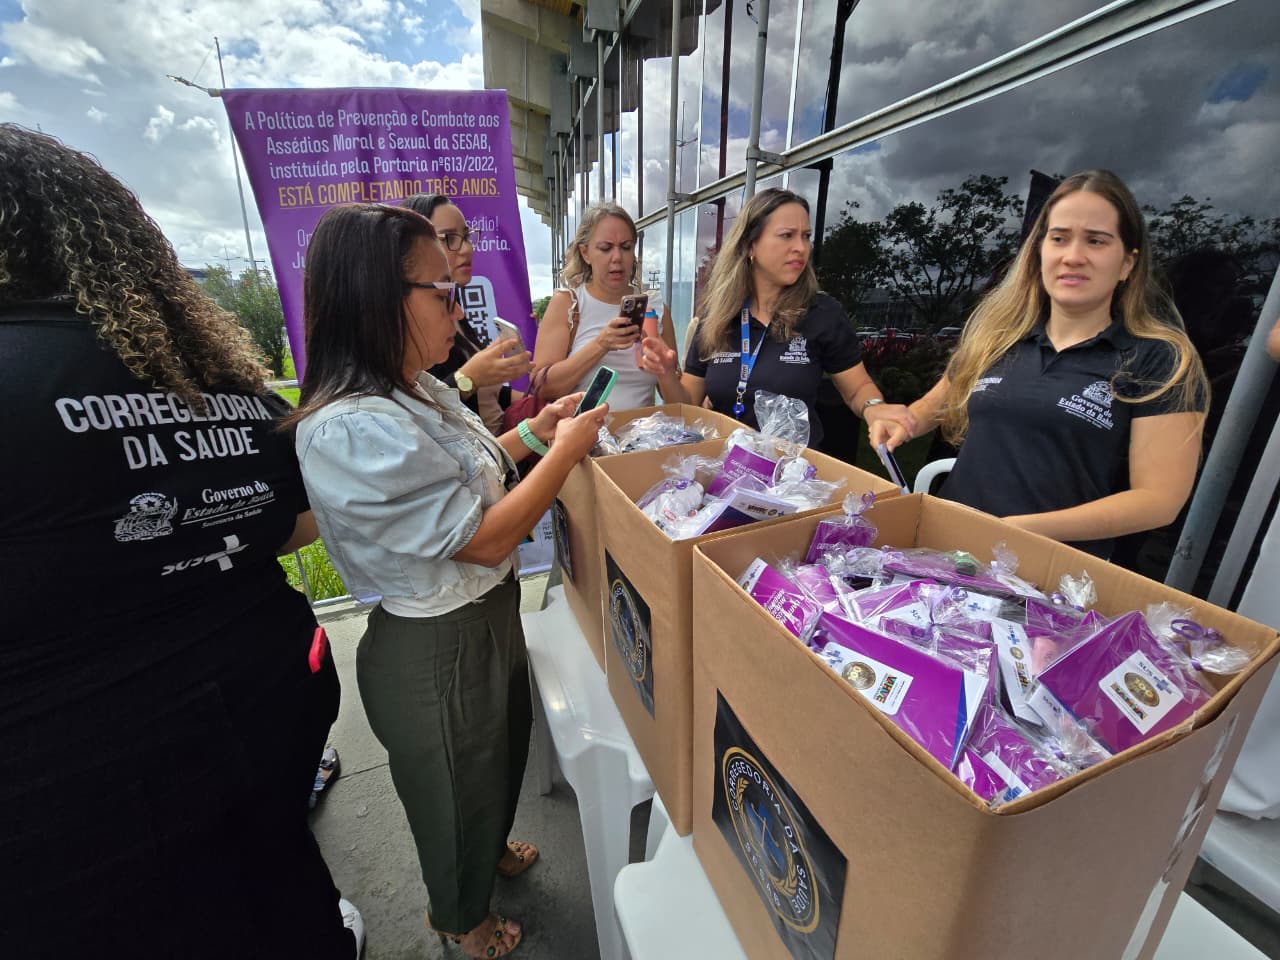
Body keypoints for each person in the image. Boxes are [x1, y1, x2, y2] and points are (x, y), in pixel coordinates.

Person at [0, 124, 361, 958]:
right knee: (280, 880)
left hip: (63, 786)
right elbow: (296, 521)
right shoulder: (219, 383)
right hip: (268, 700)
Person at [291, 203, 608, 959]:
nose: (457, 308)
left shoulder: (412, 389)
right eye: (441, 292)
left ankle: (486, 850)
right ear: (378, 298)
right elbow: (482, 536)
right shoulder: (350, 426)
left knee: (496, 756)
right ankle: (460, 916)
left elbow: (471, 470)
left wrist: (536, 431)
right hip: (436, 642)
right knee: (454, 790)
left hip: (481, 617)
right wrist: (566, 450)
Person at [876, 170, 1209, 559]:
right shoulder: (997, 336)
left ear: (1127, 263)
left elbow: (1158, 500)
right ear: (1039, 252)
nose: (1073, 256)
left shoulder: (1159, 359)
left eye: (1096, 241)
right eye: (1059, 238)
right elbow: (935, 407)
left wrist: (1017, 530)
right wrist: (904, 422)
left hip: (1049, 572)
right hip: (948, 552)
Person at [638, 187, 915, 448]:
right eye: (787, 235)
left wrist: (874, 408)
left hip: (793, 474)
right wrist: (666, 373)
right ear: (750, 246)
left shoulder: (822, 313)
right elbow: (687, 407)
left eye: (806, 236)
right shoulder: (717, 317)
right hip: (723, 470)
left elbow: (857, 389)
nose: (801, 247)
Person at [401, 193, 532, 433]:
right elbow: (421, 415)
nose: (467, 249)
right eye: (449, 238)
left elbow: (487, 395)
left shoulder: (458, 310)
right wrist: (468, 377)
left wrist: (538, 403)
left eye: (467, 236)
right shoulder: (410, 331)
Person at [533, 201, 682, 410]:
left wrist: (666, 373)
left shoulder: (655, 308)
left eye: (626, 247)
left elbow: (681, 405)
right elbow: (541, 387)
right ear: (585, 253)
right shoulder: (568, 303)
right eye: (606, 248)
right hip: (583, 430)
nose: (617, 257)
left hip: (642, 430)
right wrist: (601, 344)